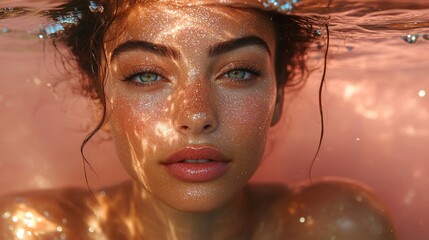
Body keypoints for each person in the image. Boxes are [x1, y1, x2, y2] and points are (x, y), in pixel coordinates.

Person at [0, 0, 396, 239]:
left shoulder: (339, 227)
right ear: (102, 98)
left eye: (239, 71)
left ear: (278, 94)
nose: (196, 115)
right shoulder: (31, 230)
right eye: (146, 75)